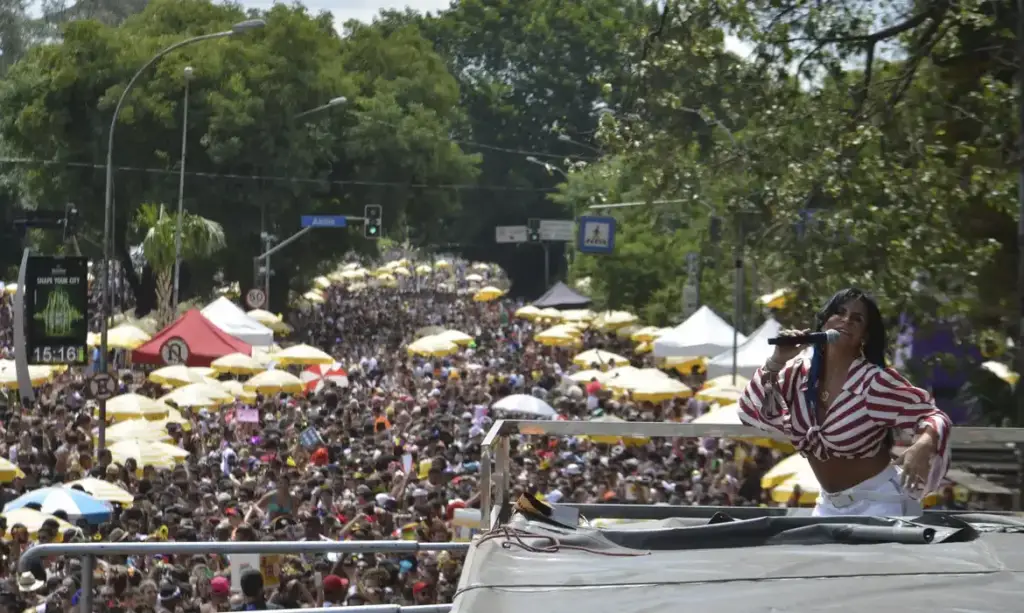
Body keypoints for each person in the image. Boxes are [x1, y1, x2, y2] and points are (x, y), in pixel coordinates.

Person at [738, 288, 952, 516]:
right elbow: (751, 413)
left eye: (857, 319)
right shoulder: (795, 374)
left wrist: (922, 444)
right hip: (828, 504)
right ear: (823, 323)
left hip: (880, 502)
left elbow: (934, 416)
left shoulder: (873, 383)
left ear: (864, 337)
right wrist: (776, 361)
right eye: (839, 312)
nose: (846, 320)